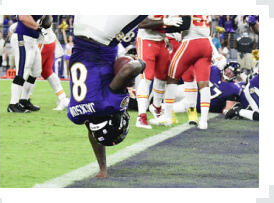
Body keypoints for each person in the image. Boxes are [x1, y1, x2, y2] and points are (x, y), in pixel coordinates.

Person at [67, 15, 147, 178]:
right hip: (80, 27)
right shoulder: (76, 115)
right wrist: (102, 168)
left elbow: (127, 70)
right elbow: (92, 131)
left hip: (102, 36)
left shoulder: (108, 105)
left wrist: (140, 64)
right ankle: (102, 168)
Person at [150, 15, 212, 130]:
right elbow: (210, 26)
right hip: (206, 44)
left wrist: (163, 27)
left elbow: (185, 23)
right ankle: (203, 121)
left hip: (191, 42)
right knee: (204, 83)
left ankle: (167, 116)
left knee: (172, 77)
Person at [135, 15, 183, 129]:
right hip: (146, 40)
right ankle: (141, 116)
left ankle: (156, 107)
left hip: (161, 41)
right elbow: (142, 23)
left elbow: (172, 23)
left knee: (162, 77)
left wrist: (172, 33)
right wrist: (165, 21)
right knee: (147, 77)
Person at [7, 15, 49, 113]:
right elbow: (23, 17)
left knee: (36, 71)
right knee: (22, 71)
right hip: (23, 37)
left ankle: (24, 101)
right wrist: (38, 27)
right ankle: (13, 104)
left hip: (32, 40)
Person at [169, 62, 242, 116]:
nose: (228, 72)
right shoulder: (214, 70)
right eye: (228, 69)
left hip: (194, 103)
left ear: (235, 75)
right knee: (168, 92)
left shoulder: (234, 88)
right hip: (190, 89)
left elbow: (227, 108)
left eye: (232, 72)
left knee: (169, 108)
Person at [37, 25, 70, 110]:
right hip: (48, 39)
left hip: (42, 40)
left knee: (33, 71)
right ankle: (63, 98)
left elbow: (43, 21)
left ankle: (25, 100)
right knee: (46, 71)